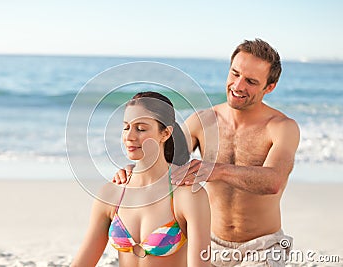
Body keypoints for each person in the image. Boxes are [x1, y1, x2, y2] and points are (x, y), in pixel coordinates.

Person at [113, 39, 300, 266]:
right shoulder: (203, 121)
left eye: (251, 81)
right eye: (235, 73)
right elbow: (161, 157)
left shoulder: (282, 127)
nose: (238, 86)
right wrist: (133, 170)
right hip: (208, 243)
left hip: (263, 246)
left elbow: (274, 181)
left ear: (269, 87)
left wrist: (217, 170)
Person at [71, 92, 212, 267]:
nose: (129, 136)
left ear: (165, 133)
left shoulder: (187, 194)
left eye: (141, 128)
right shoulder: (112, 194)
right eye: (126, 127)